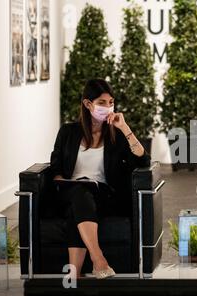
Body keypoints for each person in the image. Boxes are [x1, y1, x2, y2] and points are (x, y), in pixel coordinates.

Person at [50, 79, 150, 279]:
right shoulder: (68, 132)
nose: (108, 107)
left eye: (111, 102)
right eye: (102, 102)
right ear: (88, 104)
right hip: (71, 193)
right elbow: (56, 168)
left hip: (104, 197)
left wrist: (125, 127)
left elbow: (143, 159)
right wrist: (64, 182)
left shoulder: (116, 135)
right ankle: (98, 261)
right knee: (78, 195)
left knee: (77, 205)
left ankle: (76, 276)